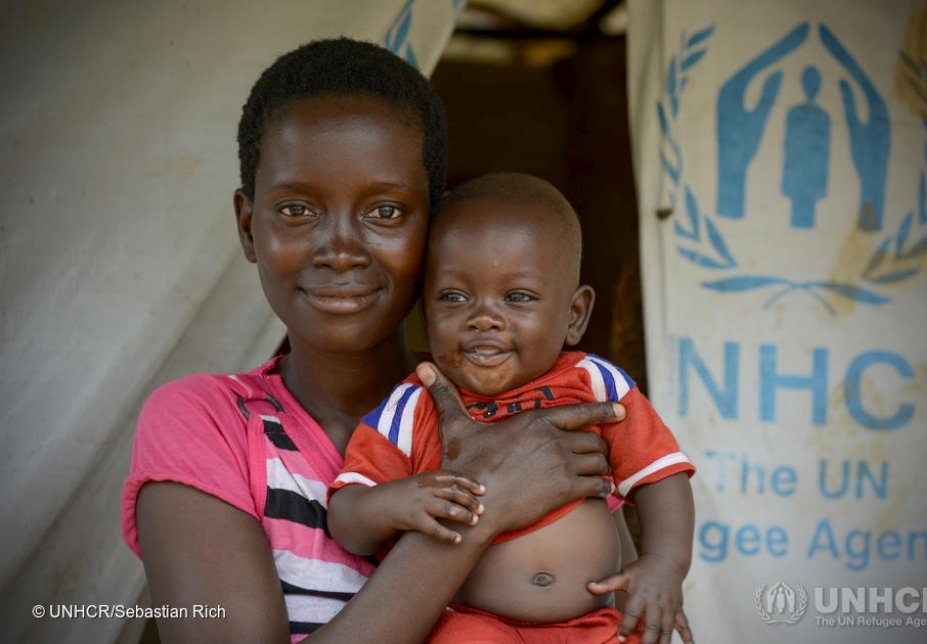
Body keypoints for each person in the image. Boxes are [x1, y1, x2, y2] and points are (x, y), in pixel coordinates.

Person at [121, 39, 625, 643]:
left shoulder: (536, 410)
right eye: (297, 209)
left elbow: (622, 620)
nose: (339, 250)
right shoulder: (206, 424)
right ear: (249, 226)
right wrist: (484, 504)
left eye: (385, 211)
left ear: (434, 230)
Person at [328, 173, 697, 644]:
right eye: (454, 297)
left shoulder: (594, 384)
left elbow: (658, 475)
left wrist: (665, 564)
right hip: (471, 625)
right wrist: (397, 502)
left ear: (574, 315)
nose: (483, 317)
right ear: (426, 314)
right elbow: (347, 517)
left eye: (517, 297)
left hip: (595, 622)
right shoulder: (414, 404)